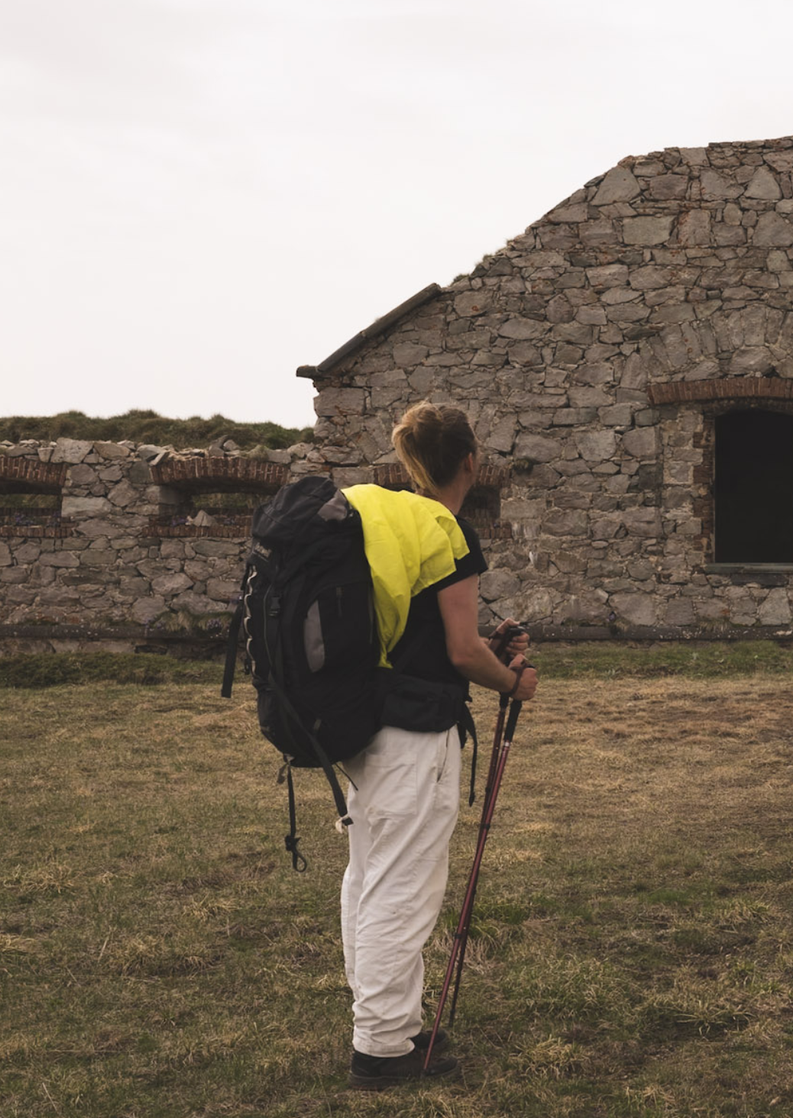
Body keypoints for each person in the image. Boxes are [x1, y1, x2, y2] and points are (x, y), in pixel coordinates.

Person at [338, 401, 539, 1090]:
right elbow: (459, 654)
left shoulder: (386, 523)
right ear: (470, 463)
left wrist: (487, 647)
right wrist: (512, 681)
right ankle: (381, 1046)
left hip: (364, 726)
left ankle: (386, 1022)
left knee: (370, 873)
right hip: (416, 737)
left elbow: (421, 637)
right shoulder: (447, 532)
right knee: (402, 885)